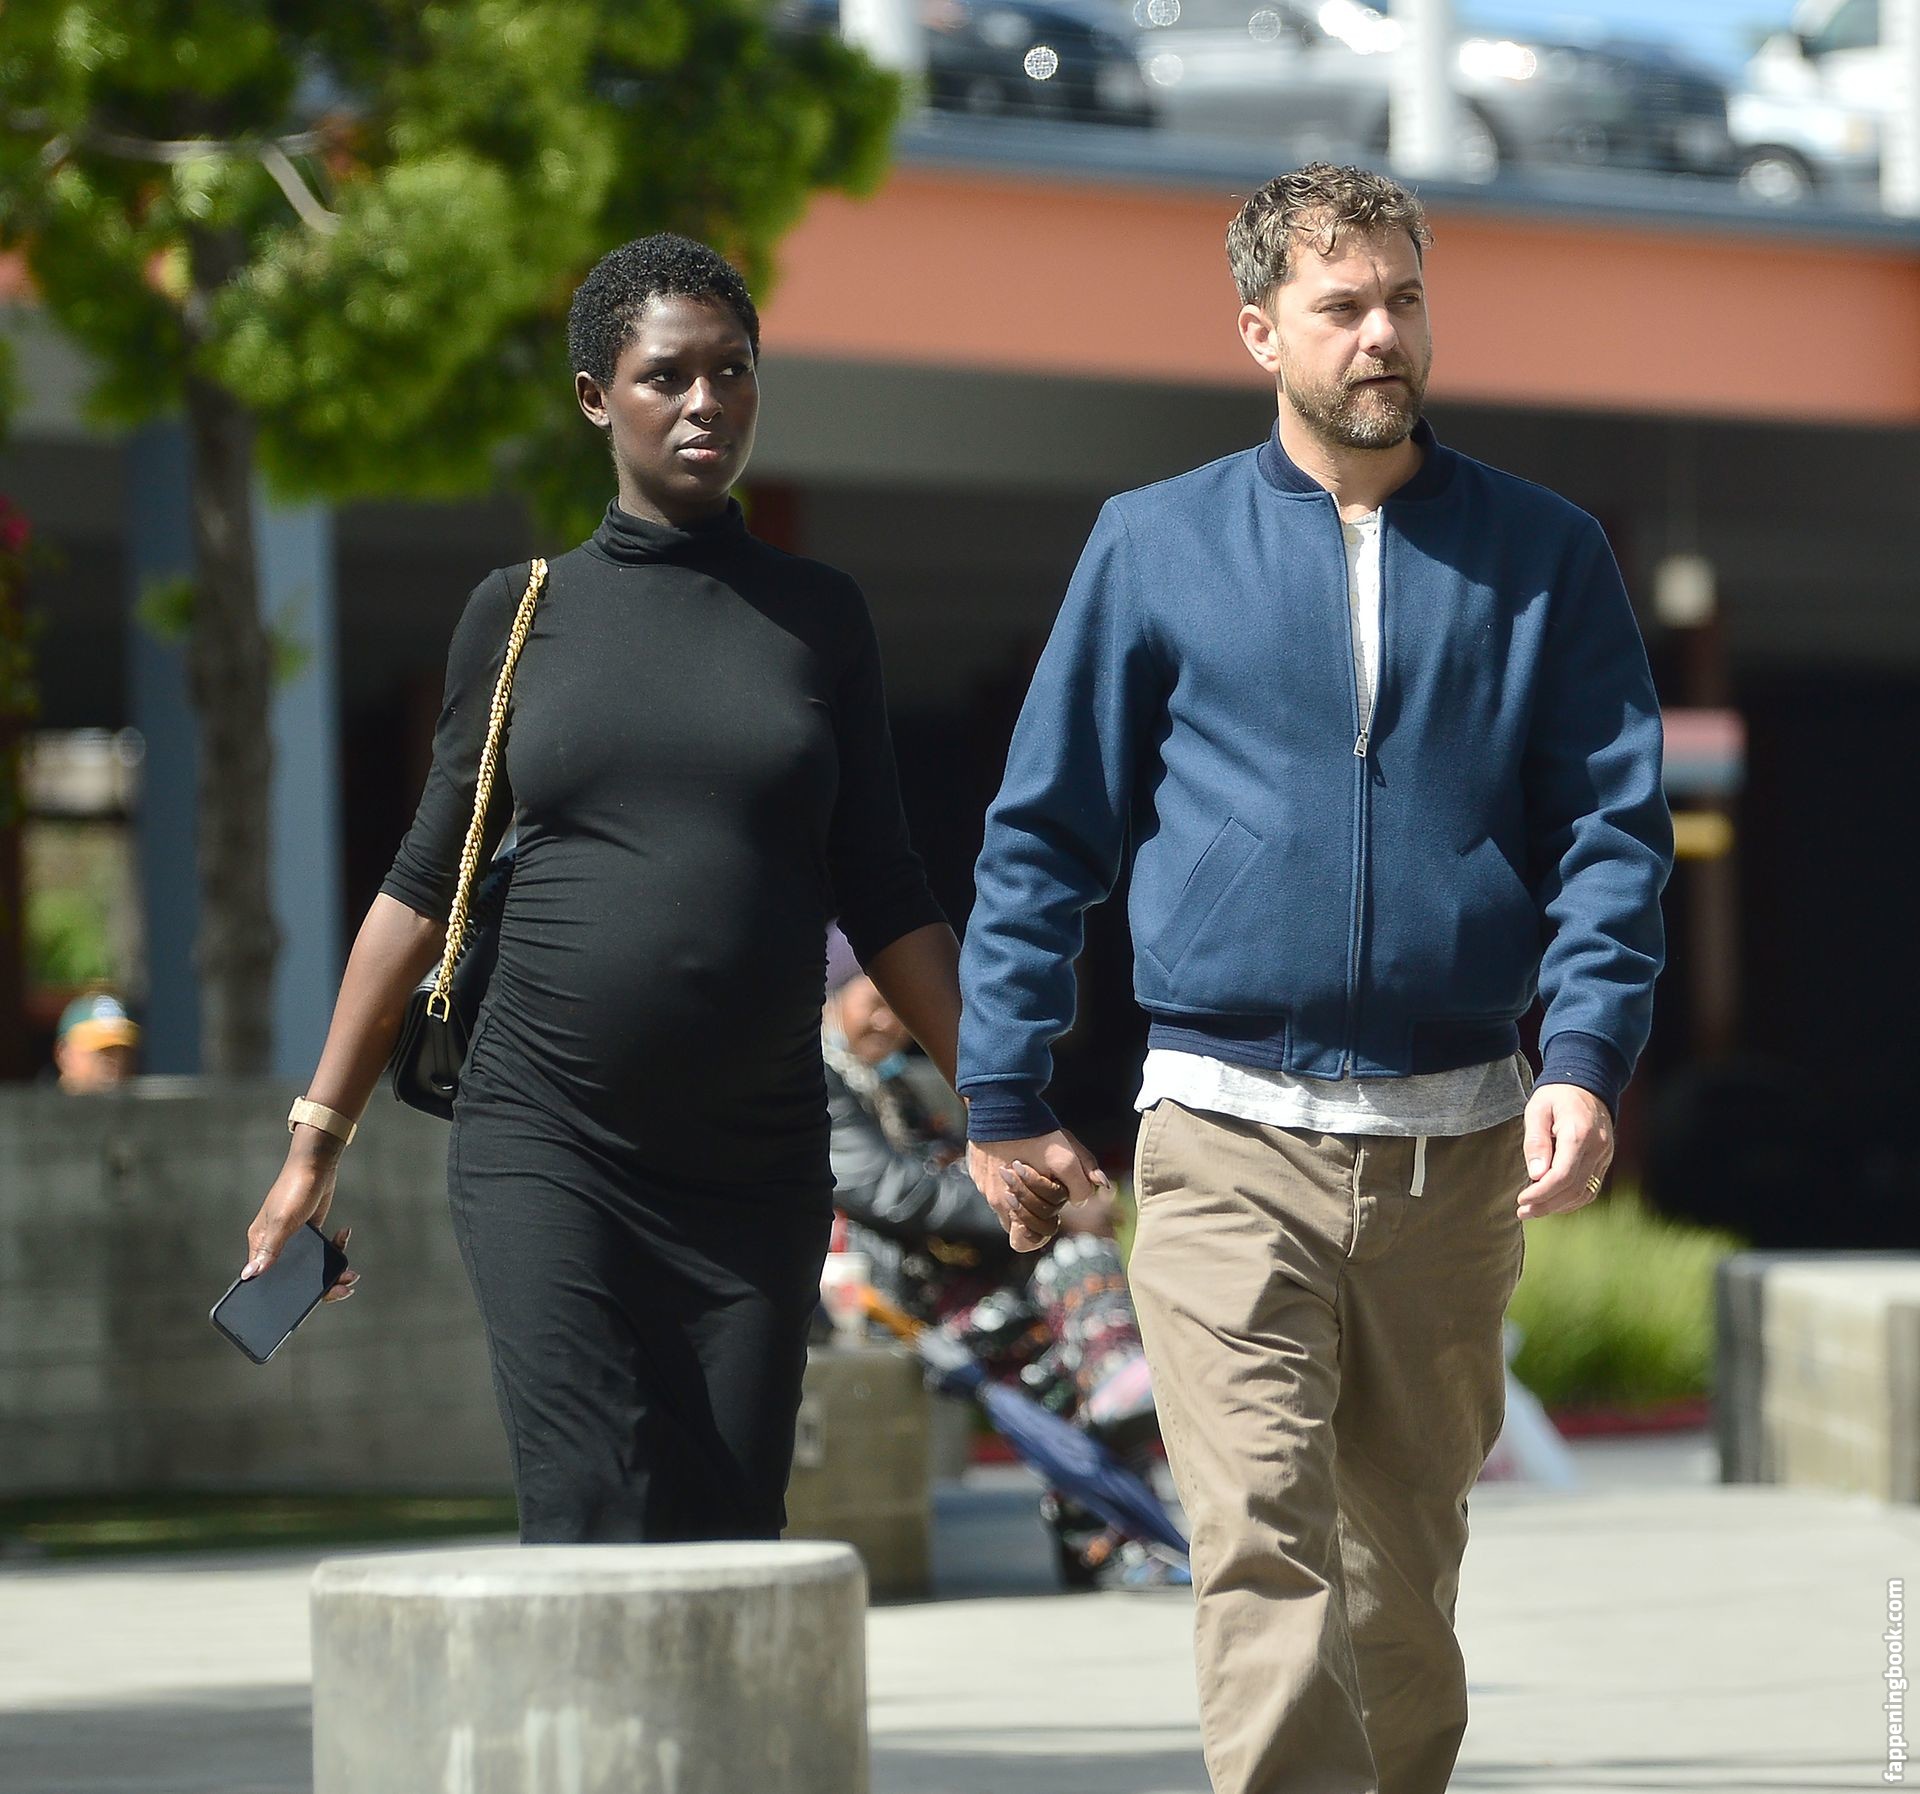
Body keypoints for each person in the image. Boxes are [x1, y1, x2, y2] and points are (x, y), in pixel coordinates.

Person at [957, 164, 1672, 1794]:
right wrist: (1004, 1085)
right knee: (1262, 1543)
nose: (1381, 334)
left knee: (1398, 1576)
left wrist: (1583, 1054)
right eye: (1342, 305)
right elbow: (1045, 829)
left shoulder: (1545, 553)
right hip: (1221, 1135)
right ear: (1259, 330)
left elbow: (1613, 833)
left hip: (1453, 1143)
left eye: (1404, 299)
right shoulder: (1153, 544)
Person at [240, 233, 966, 1544]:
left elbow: (887, 887)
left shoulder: (820, 616)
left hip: (757, 1159)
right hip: (550, 1145)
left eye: (732, 371)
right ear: (596, 396)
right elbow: (417, 889)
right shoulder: (522, 612)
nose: (706, 402)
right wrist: (312, 1152)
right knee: (590, 1516)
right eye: (666, 375)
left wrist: (1007, 1100)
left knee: (727, 1535)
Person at [821, 931, 1168, 1587]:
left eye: (900, 1006)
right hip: (877, 1294)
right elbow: (892, 1192)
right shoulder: (818, 1080)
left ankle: (1112, 1520)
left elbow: (960, 1167)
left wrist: (1042, 1195)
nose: (891, 1021)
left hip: (950, 1282)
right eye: (875, 1001)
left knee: (1059, 1350)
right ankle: (1114, 1397)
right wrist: (1042, 1210)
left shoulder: (904, 1084)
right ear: (834, 994)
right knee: (1059, 1323)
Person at [49, 991, 139, 1091]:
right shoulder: (42, 1100)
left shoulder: (139, 1098)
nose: (110, 1059)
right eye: (98, 1049)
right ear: (63, 1054)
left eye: (119, 1049)